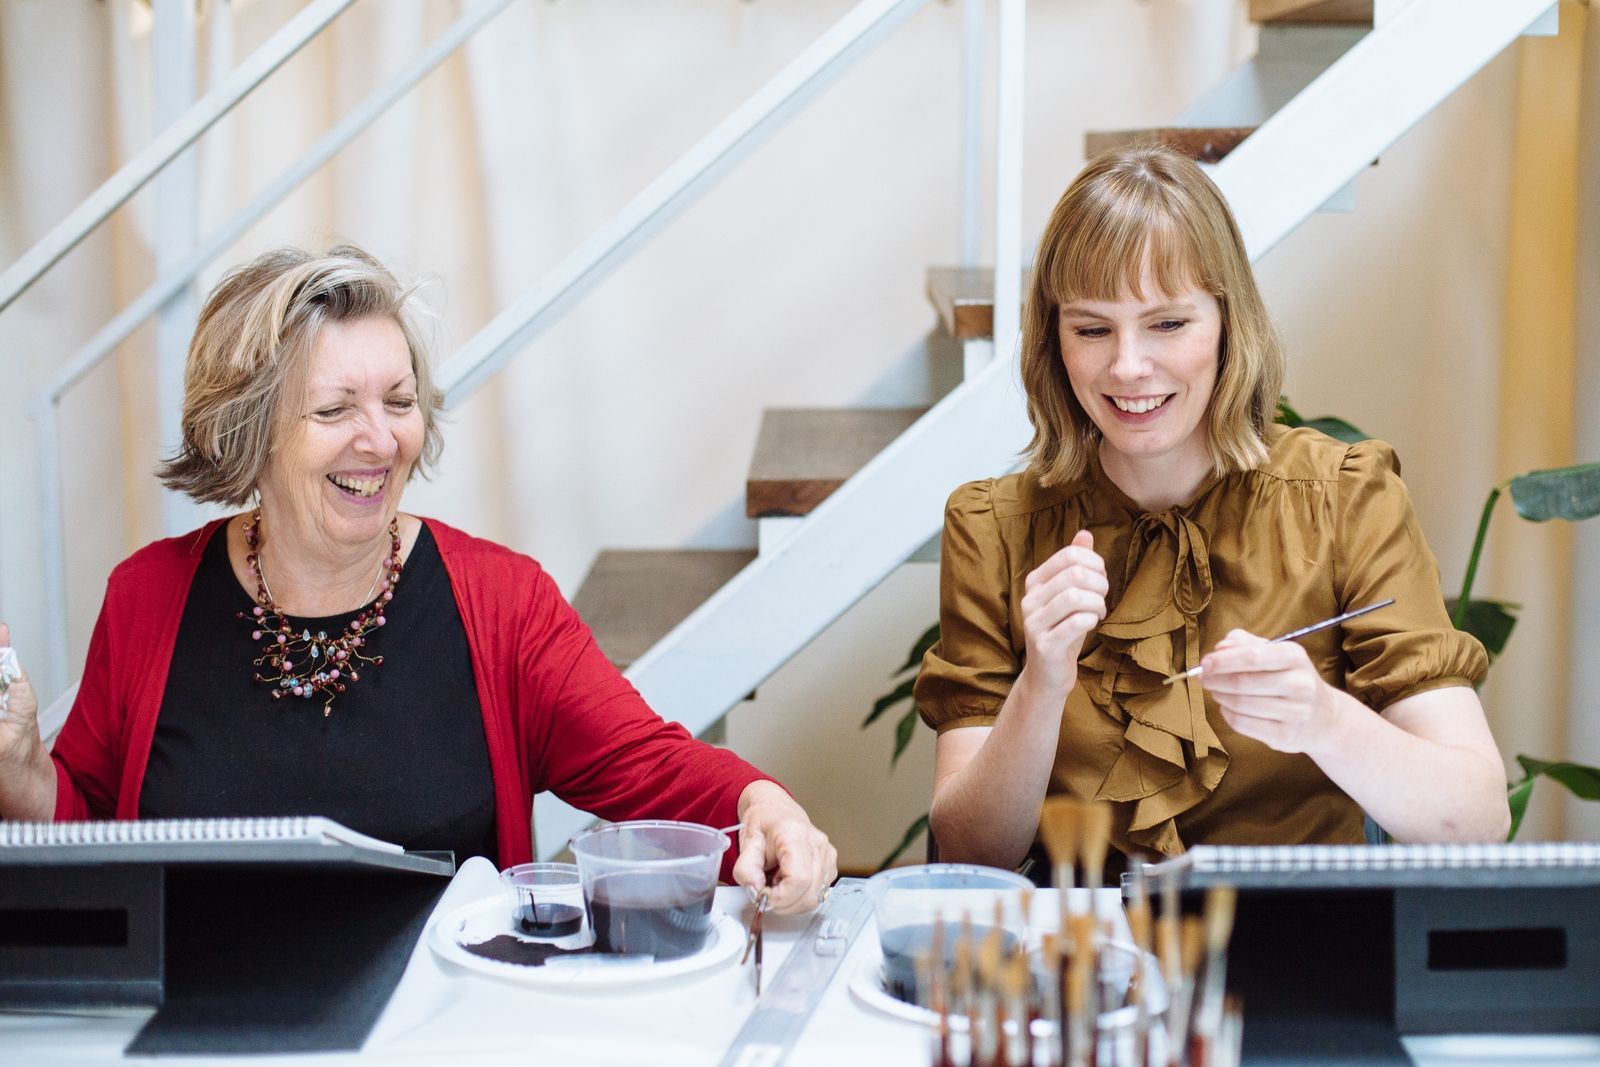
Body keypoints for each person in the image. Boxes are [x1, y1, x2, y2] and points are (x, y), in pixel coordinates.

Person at [0, 245, 836, 912]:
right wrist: (21, 767)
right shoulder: (146, 597)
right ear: (248, 435)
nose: (380, 439)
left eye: (399, 401)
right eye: (334, 411)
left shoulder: (501, 602)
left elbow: (653, 769)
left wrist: (766, 806)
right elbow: (88, 842)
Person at [915, 146, 1509, 870]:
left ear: (1229, 325)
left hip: (1298, 951)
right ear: (1053, 342)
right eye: (1092, 328)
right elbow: (969, 852)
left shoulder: (1348, 498)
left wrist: (1326, 719)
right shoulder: (993, 529)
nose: (1128, 366)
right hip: (1081, 956)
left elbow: (1477, 819)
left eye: (1168, 324)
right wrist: (1040, 684)